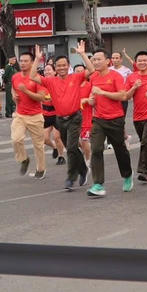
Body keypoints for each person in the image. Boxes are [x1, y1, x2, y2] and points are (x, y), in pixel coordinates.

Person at [83, 49, 133, 197]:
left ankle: (127, 175)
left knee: (120, 149)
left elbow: (123, 96)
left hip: (115, 119)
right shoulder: (94, 77)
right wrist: (91, 101)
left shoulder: (115, 76)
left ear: (107, 61)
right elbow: (92, 96)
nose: (96, 62)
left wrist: (103, 93)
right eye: (94, 60)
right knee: (96, 149)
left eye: (99, 59)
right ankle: (98, 184)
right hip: (98, 119)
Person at [45, 47, 90, 191]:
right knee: (71, 148)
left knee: (70, 148)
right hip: (60, 119)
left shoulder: (75, 77)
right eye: (59, 65)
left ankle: (71, 177)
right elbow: (33, 77)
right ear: (55, 68)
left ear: (68, 66)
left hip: (75, 117)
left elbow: (91, 69)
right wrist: (37, 58)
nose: (62, 67)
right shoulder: (51, 81)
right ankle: (83, 169)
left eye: (64, 65)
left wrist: (82, 54)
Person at [9, 51, 51, 179]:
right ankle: (24, 159)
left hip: (35, 116)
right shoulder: (15, 77)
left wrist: (25, 91)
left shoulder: (37, 79)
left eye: (26, 61)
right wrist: (14, 96)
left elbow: (41, 98)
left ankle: (41, 169)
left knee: (38, 144)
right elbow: (13, 88)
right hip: (20, 115)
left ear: (32, 63)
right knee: (16, 139)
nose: (22, 63)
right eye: (21, 60)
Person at [124, 51, 147, 184]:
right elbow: (126, 97)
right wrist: (134, 87)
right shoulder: (132, 77)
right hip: (137, 117)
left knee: (146, 141)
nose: (142, 63)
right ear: (136, 62)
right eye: (139, 60)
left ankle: (143, 171)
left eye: (145, 60)